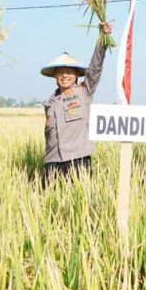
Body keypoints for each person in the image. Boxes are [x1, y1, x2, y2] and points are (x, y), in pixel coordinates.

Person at [40, 21, 111, 180]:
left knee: (81, 200)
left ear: (77, 75)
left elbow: (95, 69)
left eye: (69, 72)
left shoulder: (84, 92)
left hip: (78, 159)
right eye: (60, 72)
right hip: (53, 161)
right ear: (54, 76)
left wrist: (102, 40)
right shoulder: (49, 103)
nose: (65, 76)